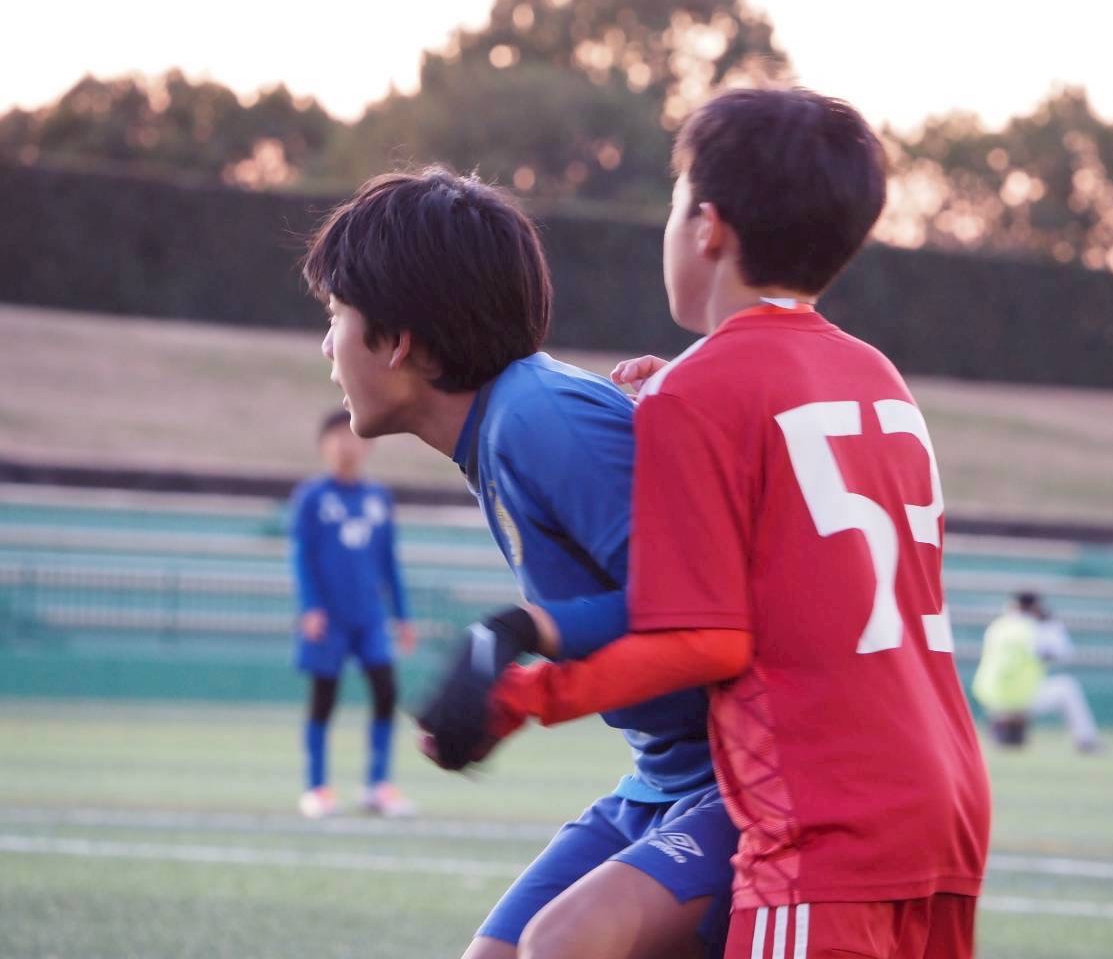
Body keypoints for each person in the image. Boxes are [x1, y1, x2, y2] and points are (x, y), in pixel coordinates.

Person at [424, 87, 993, 959]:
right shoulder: (875, 374)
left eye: (673, 200)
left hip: (825, 800)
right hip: (943, 781)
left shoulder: (698, 389)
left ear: (708, 228)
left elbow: (709, 638)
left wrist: (531, 692)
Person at [301, 168, 737, 959]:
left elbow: (701, 607)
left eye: (336, 316)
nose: (328, 347)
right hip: (661, 782)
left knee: (561, 945)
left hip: (740, 783)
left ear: (399, 340)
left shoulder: (539, 417)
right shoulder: (505, 427)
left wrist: (517, 634)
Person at [290, 409, 416, 818]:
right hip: (329, 619)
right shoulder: (311, 497)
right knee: (323, 698)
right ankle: (317, 788)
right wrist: (310, 608)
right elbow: (302, 557)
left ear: (370, 444)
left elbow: (389, 561)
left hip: (370, 619)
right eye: (338, 437)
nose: (348, 446)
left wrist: (403, 615)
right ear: (323, 445)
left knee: (386, 691)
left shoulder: (379, 497)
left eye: (355, 437)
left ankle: (378, 785)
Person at [972, 591, 1101, 752]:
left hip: (989, 696)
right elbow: (1062, 654)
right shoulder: (1033, 629)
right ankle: (1086, 740)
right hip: (1020, 696)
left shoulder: (997, 626)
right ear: (1036, 607)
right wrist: (1052, 625)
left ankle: (1002, 725)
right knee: (1067, 687)